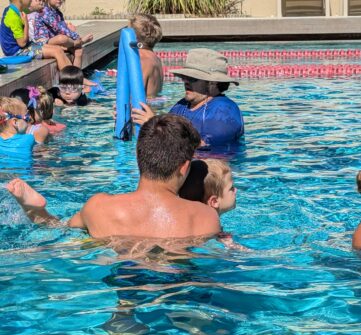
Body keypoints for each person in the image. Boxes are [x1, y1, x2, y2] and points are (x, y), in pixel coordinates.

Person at [6, 114, 220, 242]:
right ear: (183, 168)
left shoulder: (99, 207)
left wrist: (37, 212)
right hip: (178, 293)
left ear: (139, 156)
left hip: (122, 278)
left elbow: (59, 230)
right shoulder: (204, 217)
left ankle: (35, 209)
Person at [132, 48, 244, 153]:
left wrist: (153, 124)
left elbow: (203, 146)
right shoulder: (182, 105)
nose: (185, 81)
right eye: (184, 77)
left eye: (192, 78)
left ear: (213, 83)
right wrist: (132, 121)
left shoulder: (224, 110)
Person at [0, 0, 72, 71]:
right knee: (56, 52)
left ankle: (75, 77)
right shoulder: (13, 16)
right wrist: (26, 23)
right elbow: (22, 43)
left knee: (58, 49)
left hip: (23, 47)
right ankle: (71, 80)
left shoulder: (13, 10)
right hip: (16, 52)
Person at [33, 0, 93, 69]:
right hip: (43, 43)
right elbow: (59, 28)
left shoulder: (58, 13)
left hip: (54, 42)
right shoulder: (44, 11)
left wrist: (72, 33)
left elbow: (65, 29)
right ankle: (80, 42)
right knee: (62, 38)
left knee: (78, 51)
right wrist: (78, 38)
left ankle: (76, 77)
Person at [129, 13, 163, 98]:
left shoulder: (142, 60)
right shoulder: (155, 59)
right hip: (153, 109)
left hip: (142, 110)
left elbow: (135, 97)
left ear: (134, 37)